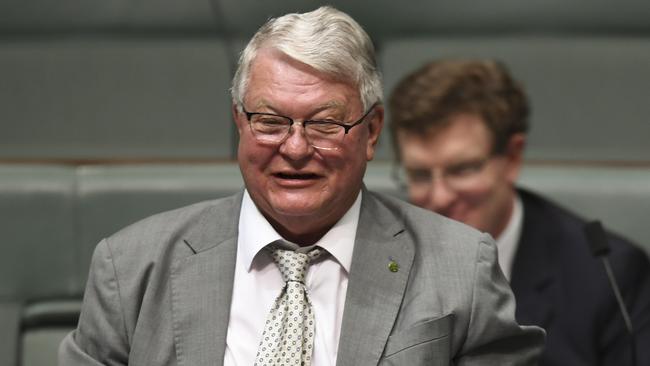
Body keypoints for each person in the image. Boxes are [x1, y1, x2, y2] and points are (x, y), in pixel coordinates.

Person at [59, 8, 544, 365]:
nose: (294, 148)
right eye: (269, 121)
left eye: (324, 124)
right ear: (239, 124)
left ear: (371, 132)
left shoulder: (461, 267)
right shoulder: (130, 269)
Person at [389, 59, 650, 366]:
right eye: (419, 175)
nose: (439, 196)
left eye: (462, 170)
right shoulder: (379, 259)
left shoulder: (608, 276)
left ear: (512, 157)